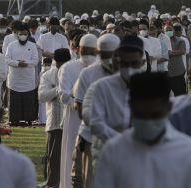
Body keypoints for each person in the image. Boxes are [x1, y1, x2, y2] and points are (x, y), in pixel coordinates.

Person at [94, 72, 191, 188]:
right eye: (141, 115)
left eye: (155, 115)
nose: (148, 122)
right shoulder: (113, 152)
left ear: (169, 107)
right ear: (130, 107)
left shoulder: (186, 152)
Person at [85, 35, 145, 171]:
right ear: (117, 62)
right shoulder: (102, 87)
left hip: (142, 157)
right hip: (108, 157)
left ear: (142, 62)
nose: (129, 69)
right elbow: (96, 123)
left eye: (134, 64)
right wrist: (124, 141)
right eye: (125, 64)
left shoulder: (153, 87)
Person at [71, 33, 120, 188]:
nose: (108, 59)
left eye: (111, 55)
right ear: (98, 53)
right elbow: (81, 111)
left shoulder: (128, 74)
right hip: (91, 139)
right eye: (104, 55)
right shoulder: (88, 73)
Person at [38, 48, 71, 188]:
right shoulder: (48, 75)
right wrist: (58, 90)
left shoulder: (74, 73)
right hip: (55, 123)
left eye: (65, 63)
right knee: (54, 158)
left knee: (71, 158)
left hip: (72, 122)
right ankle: (53, 184)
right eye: (59, 63)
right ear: (55, 62)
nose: (62, 66)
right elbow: (42, 96)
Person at [57, 33, 85, 188]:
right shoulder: (68, 67)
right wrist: (82, 103)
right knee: (70, 154)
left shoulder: (101, 68)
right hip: (74, 117)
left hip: (95, 118)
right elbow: (64, 96)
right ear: (75, 49)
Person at [37, 17, 69, 126]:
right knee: (44, 91)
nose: (54, 27)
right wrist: (52, 55)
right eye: (52, 25)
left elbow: (66, 52)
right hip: (46, 66)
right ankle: (43, 119)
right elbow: (40, 51)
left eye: (56, 25)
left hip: (60, 67)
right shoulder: (43, 37)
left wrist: (55, 56)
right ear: (48, 26)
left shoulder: (63, 38)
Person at [5, 23, 39, 126]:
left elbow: (36, 60)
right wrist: (17, 63)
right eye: (21, 34)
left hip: (28, 78)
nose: (23, 36)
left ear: (28, 35)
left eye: (25, 34)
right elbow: (7, 59)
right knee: (15, 100)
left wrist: (26, 64)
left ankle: (29, 120)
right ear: (17, 35)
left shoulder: (33, 46)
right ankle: (14, 120)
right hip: (15, 78)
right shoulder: (11, 46)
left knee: (28, 100)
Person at [166, 24, 187, 96]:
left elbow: (182, 51)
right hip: (165, 73)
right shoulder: (161, 40)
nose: (168, 32)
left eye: (170, 30)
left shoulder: (180, 40)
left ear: (173, 31)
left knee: (180, 95)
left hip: (177, 72)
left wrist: (168, 52)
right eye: (167, 30)